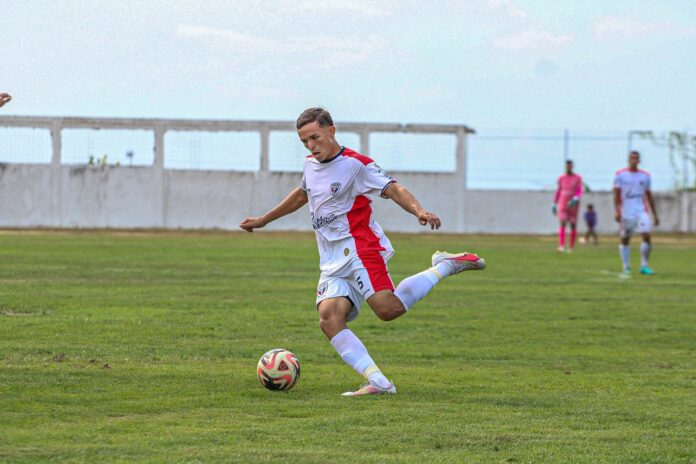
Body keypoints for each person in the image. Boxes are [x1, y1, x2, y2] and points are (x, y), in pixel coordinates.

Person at [240, 107, 486, 397]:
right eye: (305, 141)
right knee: (329, 319)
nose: (311, 146)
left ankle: (444, 265)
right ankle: (380, 383)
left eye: (315, 137)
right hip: (330, 258)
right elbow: (302, 194)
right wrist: (264, 220)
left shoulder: (356, 165)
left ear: (331, 131)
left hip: (360, 247)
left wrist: (419, 211)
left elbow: (394, 189)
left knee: (388, 310)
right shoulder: (310, 164)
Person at [613, 151, 659, 275]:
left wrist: (655, 215)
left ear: (639, 161)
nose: (634, 160)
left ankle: (644, 265)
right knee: (625, 239)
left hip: (641, 210)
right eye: (632, 158)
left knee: (646, 236)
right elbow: (616, 194)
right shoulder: (620, 175)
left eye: (636, 158)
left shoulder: (645, 176)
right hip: (626, 211)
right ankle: (626, 266)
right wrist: (617, 210)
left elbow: (649, 195)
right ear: (628, 160)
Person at [552, 159, 583, 253]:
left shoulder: (577, 178)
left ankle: (571, 247)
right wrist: (554, 202)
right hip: (563, 204)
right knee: (562, 223)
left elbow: (579, 190)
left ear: (572, 166)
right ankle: (561, 245)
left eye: (570, 165)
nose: (568, 167)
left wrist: (576, 198)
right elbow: (559, 190)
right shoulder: (561, 178)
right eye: (567, 165)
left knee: (573, 225)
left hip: (573, 205)